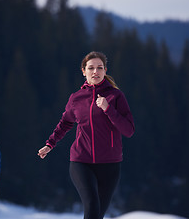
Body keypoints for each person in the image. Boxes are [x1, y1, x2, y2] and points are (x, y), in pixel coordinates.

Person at [38, 51, 135, 219]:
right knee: (91, 205)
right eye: (91, 68)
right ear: (83, 71)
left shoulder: (115, 96)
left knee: (97, 215)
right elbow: (65, 123)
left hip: (110, 164)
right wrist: (50, 144)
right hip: (81, 161)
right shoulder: (76, 98)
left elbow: (128, 130)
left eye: (99, 68)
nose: (95, 72)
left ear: (105, 70)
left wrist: (108, 109)